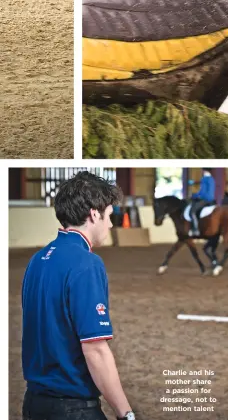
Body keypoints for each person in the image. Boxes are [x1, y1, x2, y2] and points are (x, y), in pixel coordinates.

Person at [21, 172, 135, 420]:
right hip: (72, 408)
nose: (111, 224)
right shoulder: (87, 263)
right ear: (95, 214)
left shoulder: (37, 260)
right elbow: (95, 349)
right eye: (109, 216)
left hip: (33, 404)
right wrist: (126, 413)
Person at [189, 168, 216, 234]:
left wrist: (194, 196)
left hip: (205, 199)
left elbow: (202, 192)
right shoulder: (212, 179)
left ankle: (195, 229)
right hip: (212, 199)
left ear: (204, 171)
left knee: (192, 211)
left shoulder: (204, 179)